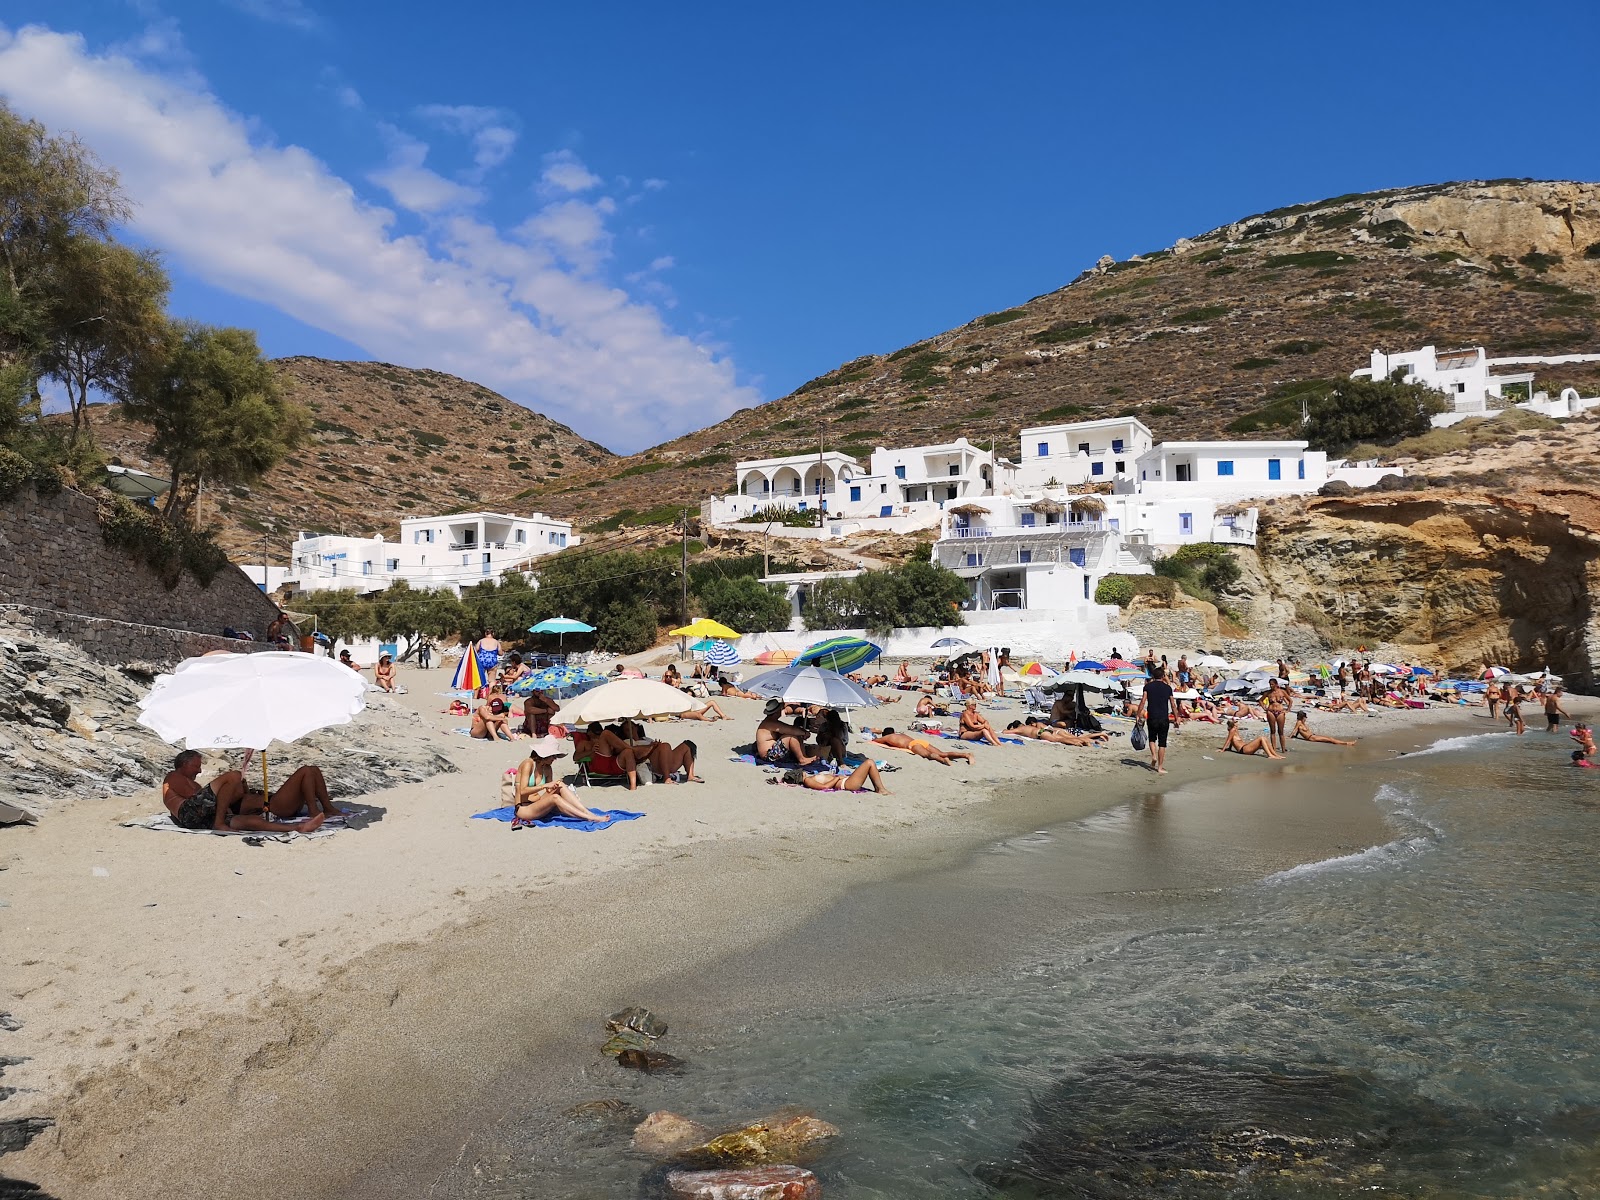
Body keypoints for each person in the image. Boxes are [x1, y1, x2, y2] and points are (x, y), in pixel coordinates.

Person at [162, 750, 329, 833]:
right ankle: (220, 823)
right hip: (188, 813)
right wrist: (229, 790)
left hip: (199, 820)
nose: (198, 771)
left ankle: (297, 827)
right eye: (196, 766)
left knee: (247, 821)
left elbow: (208, 802)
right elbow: (194, 797)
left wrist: (234, 796)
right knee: (233, 776)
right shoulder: (173, 776)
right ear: (184, 764)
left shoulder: (193, 785)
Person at [512, 775, 614, 827]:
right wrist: (544, 786)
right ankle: (589, 817)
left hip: (537, 803)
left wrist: (553, 786)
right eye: (552, 756)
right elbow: (522, 791)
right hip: (524, 808)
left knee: (560, 784)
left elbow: (548, 790)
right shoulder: (528, 765)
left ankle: (586, 811)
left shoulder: (547, 768)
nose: (554, 759)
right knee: (555, 798)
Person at [1135, 666, 1175, 774]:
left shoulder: (1148, 687)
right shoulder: (1168, 688)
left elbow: (1143, 701)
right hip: (1163, 718)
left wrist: (1138, 714)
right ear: (1163, 676)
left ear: (1153, 676)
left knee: (1152, 739)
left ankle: (1153, 756)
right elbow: (1173, 704)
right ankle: (1160, 767)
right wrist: (1177, 717)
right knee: (1162, 743)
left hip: (1152, 717)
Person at [756, 700, 818, 765]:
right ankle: (802, 759)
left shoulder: (770, 721)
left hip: (771, 752)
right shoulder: (771, 723)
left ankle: (804, 757)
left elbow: (788, 729)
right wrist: (805, 733)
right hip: (768, 755)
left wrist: (802, 732)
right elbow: (791, 729)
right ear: (777, 712)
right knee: (791, 737)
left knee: (795, 734)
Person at [870, 728, 974, 765]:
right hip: (919, 741)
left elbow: (875, 740)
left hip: (913, 745)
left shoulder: (888, 737)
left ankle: (943, 760)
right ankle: (966, 755)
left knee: (928, 755)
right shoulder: (901, 734)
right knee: (942, 752)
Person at [780, 761, 891, 794]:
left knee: (869, 764)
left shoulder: (809, 779)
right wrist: (837, 778)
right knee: (869, 763)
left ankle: (879, 788)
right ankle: (880, 789)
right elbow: (824, 787)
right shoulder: (808, 780)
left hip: (846, 781)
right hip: (846, 784)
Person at [1006, 719, 1108, 747]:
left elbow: (1006, 732)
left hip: (1042, 733)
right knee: (1078, 737)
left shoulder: (1020, 729)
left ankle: (1078, 743)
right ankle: (1092, 740)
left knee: (1059, 740)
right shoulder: (1028, 726)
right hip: (1047, 731)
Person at [1292, 711, 1357, 746]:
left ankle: (1346, 743)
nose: (1306, 718)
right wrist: (1290, 736)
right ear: (1302, 717)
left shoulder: (1302, 723)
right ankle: (1346, 743)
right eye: (1305, 717)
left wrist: (1295, 736)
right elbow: (1295, 730)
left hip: (1313, 736)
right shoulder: (1299, 722)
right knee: (1330, 740)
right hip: (1311, 738)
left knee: (1330, 738)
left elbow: (1298, 731)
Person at [1264, 677, 1291, 755]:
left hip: (1280, 712)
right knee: (1272, 731)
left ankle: (1283, 749)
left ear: (1276, 684)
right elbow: (1260, 700)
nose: (1271, 686)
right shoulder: (1268, 693)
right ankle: (1273, 749)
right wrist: (1265, 708)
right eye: (1270, 684)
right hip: (1270, 712)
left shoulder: (1282, 692)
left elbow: (1290, 700)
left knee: (1281, 731)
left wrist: (1288, 709)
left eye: (1272, 684)